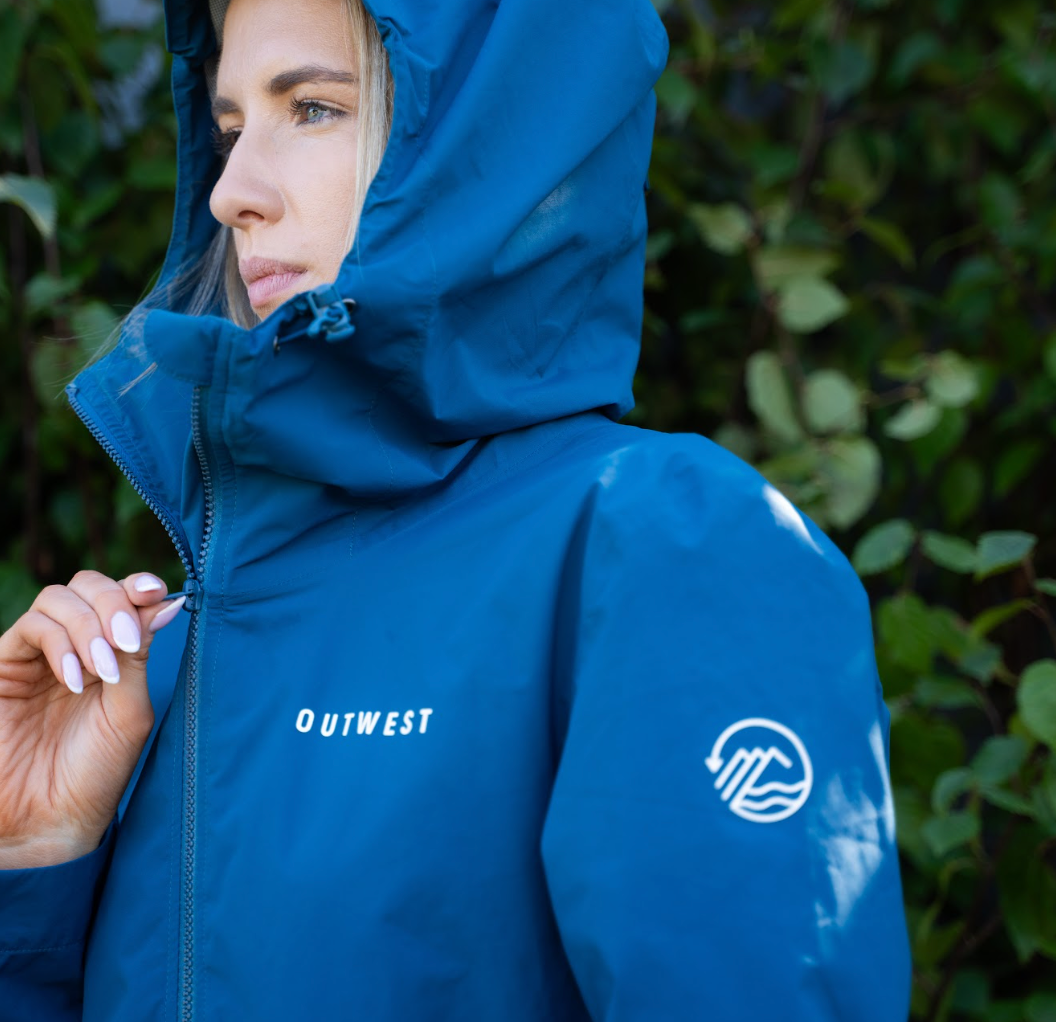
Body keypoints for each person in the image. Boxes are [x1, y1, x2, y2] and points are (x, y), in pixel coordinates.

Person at [0, 0, 912, 1018]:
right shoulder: (163, 661)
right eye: (229, 128)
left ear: (493, 135)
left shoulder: (660, 545)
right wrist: (32, 866)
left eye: (312, 108)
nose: (232, 192)